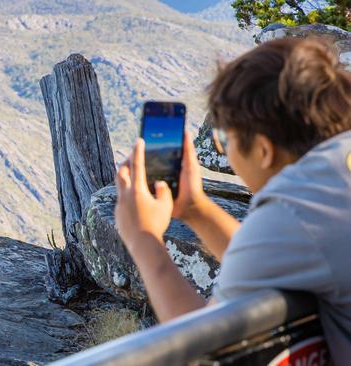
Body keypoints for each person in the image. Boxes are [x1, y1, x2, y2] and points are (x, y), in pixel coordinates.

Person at [114, 37, 351, 364]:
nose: (223, 149)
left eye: (224, 139)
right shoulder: (328, 186)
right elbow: (274, 253)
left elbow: (208, 345)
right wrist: (195, 209)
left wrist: (142, 239)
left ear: (264, 150)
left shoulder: (293, 210)